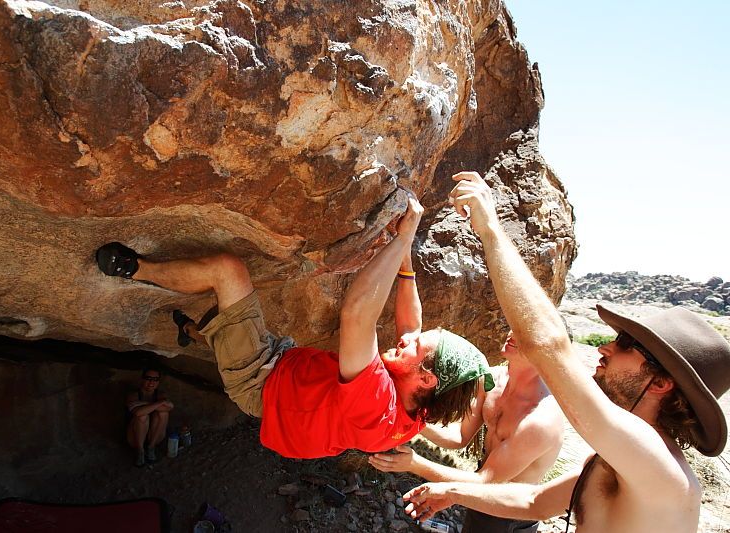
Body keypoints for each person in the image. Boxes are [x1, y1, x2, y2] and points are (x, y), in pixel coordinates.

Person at [404, 171, 730, 533]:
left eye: (626, 345)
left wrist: (491, 230)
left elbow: (548, 345)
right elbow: (534, 502)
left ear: (660, 384)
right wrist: (453, 492)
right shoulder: (615, 461)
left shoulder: (658, 468)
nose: (606, 347)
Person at [96, 191, 494, 459]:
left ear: (427, 378)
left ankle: (134, 269)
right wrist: (405, 261)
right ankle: (189, 331)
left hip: (259, 380)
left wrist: (403, 238)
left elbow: (358, 313)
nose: (408, 339)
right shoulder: (420, 409)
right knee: (223, 332)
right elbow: (411, 324)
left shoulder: (377, 407)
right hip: (284, 365)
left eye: (418, 346)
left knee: (228, 272)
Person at [370, 330, 565, 533]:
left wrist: (414, 464)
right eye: (515, 326)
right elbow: (459, 437)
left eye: (526, 334)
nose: (513, 334)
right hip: (481, 492)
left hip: (509, 514)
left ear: (546, 353)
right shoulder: (493, 380)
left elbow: (487, 480)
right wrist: (410, 419)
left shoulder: (539, 421)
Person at [126, 367, 174, 467]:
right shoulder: (134, 395)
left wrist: (143, 404)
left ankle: (151, 447)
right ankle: (140, 451)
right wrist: (160, 403)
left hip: (154, 437)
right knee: (142, 417)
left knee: (163, 414)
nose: (152, 382)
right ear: (142, 379)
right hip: (135, 438)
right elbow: (138, 413)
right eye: (148, 378)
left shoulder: (160, 395)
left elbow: (169, 408)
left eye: (155, 379)